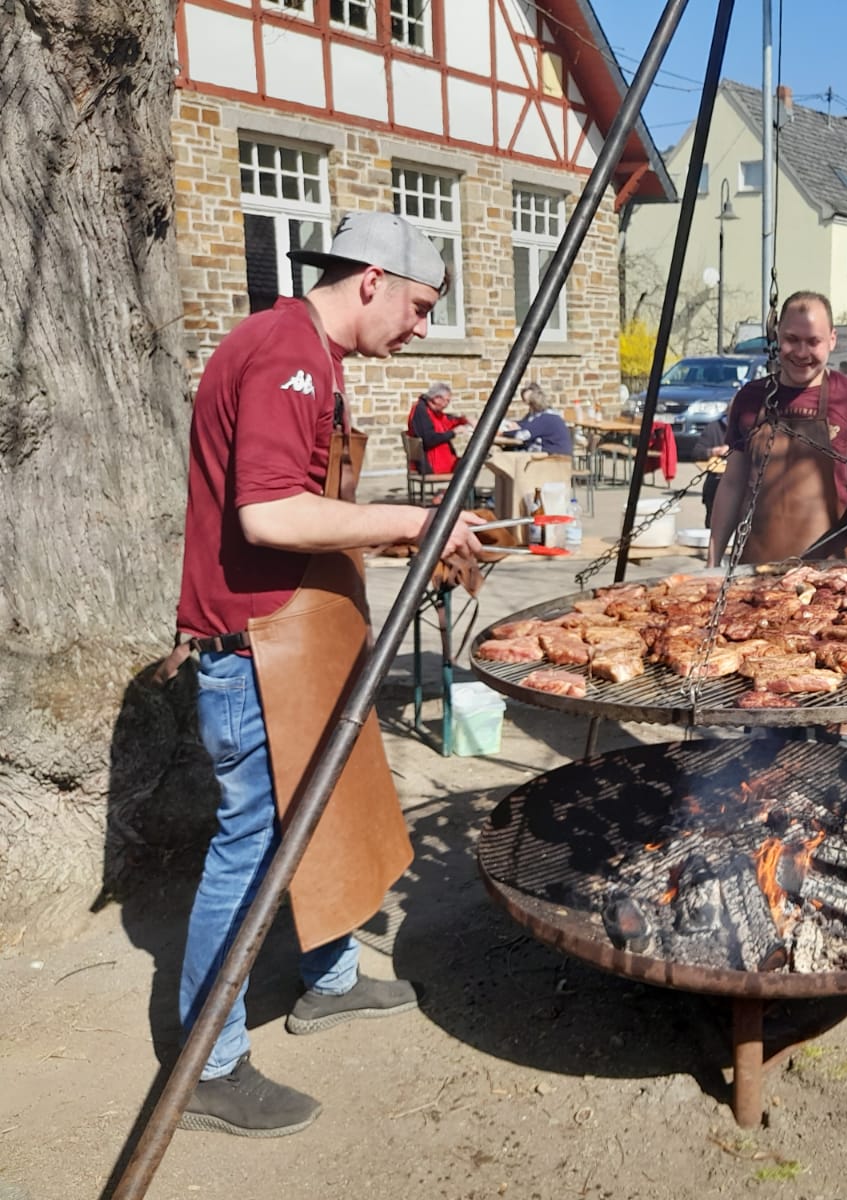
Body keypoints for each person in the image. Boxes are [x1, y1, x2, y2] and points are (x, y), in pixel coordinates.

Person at [169, 211, 484, 1136]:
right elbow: (268, 515)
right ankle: (206, 1064)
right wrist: (408, 522)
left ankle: (330, 979)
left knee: (331, 811)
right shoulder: (284, 353)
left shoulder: (319, 357)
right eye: (422, 307)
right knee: (253, 846)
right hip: (255, 651)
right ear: (373, 280)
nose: (424, 328)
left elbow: (310, 513)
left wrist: (395, 539)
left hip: (302, 634)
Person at [709, 291, 847, 566]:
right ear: (778, 337)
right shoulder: (751, 398)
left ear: (832, 340)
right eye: (792, 340)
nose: (802, 352)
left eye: (813, 341)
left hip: (828, 575)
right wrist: (712, 561)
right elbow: (732, 484)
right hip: (751, 572)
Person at [407, 381, 470, 473]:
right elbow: (429, 439)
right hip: (430, 463)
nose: (447, 404)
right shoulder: (421, 411)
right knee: (470, 464)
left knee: (469, 462)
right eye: (447, 400)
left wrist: (464, 420)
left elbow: (446, 420)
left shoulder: (431, 410)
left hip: (439, 460)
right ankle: (459, 487)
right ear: (437, 398)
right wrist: (453, 432)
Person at [514, 382, 573, 456]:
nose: (528, 405)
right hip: (546, 453)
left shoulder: (546, 417)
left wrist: (503, 433)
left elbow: (523, 435)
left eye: (530, 402)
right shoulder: (536, 415)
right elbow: (525, 424)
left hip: (554, 457)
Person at [692, 413, 730, 525]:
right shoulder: (714, 428)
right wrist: (714, 451)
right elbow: (696, 452)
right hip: (715, 481)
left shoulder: (750, 429)